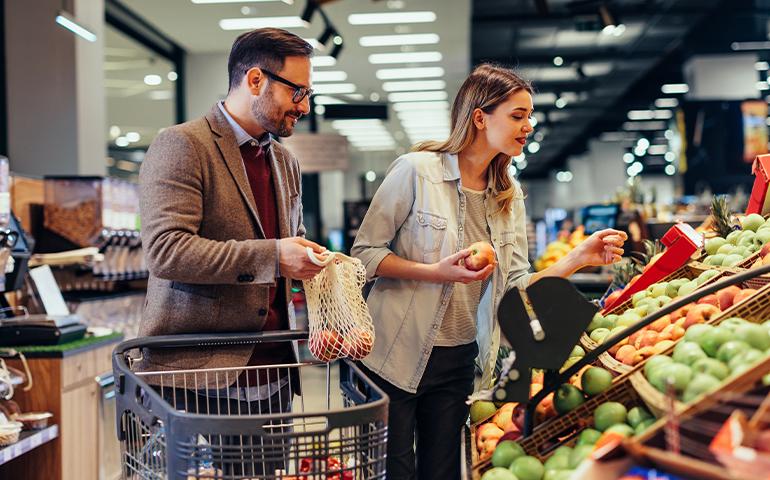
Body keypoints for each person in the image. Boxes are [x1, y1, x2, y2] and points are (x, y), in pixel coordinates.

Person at [351, 63, 628, 479]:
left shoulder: (507, 194)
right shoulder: (416, 171)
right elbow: (365, 256)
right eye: (518, 116)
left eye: (529, 117)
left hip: (460, 358)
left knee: (443, 471)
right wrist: (438, 272)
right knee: (394, 471)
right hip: (394, 352)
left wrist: (578, 259)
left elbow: (516, 287)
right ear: (480, 117)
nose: (528, 126)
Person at [137, 28, 326, 474]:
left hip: (273, 369)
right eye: (297, 91)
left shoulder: (285, 161)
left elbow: (285, 246)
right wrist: (273, 255)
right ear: (256, 80)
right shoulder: (183, 145)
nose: (305, 106)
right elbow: (166, 251)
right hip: (199, 375)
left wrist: (311, 265)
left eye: (308, 92)